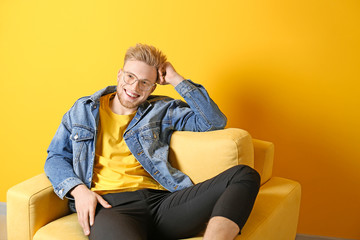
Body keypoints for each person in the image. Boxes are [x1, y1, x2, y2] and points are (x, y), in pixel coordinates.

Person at [45, 43, 260, 240]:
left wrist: (176, 79)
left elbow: (213, 121)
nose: (135, 87)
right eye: (130, 77)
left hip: (163, 203)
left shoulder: (161, 110)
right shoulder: (83, 110)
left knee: (244, 175)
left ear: (153, 87)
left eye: (144, 82)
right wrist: (79, 191)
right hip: (111, 207)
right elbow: (55, 157)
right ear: (119, 75)